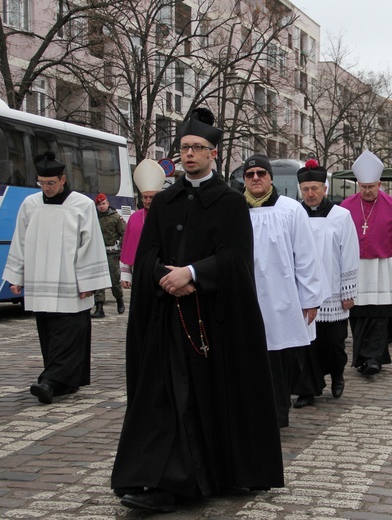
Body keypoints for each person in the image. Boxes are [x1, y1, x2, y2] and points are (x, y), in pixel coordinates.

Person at [111, 108, 284, 513]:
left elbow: (237, 259)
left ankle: (210, 474)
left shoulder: (230, 203)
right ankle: (158, 478)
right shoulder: (166, 201)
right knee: (164, 397)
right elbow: (148, 251)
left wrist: (192, 273)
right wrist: (160, 275)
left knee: (204, 397)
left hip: (213, 323)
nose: (189, 154)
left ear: (214, 154)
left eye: (197, 148)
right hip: (166, 320)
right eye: (184, 148)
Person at [3, 151, 111, 405]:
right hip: (41, 283)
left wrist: (89, 282)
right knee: (50, 335)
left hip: (71, 285)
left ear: (63, 180)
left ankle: (49, 382)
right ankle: (65, 383)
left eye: (50, 183)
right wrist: (16, 276)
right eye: (41, 183)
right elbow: (19, 240)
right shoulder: (30, 204)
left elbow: (91, 243)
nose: (46, 188)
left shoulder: (81, 204)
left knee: (69, 336)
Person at [243, 153, 328, 426]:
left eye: (261, 173)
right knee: (246, 360)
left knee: (277, 361)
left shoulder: (290, 210)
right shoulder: (234, 210)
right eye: (250, 174)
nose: (256, 178)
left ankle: (278, 415)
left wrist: (311, 299)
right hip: (244, 298)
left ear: (270, 177)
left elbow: (306, 257)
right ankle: (250, 414)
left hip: (281, 298)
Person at [291, 159, 359, 408]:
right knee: (306, 345)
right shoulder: (294, 214)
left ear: (325, 189)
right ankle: (307, 389)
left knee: (332, 343)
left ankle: (337, 373)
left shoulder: (341, 216)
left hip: (332, 290)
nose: (310, 193)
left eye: (315, 188)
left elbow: (349, 254)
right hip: (303, 291)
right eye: (305, 189)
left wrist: (348, 291)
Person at [340, 150, 392, 375]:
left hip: (383, 268)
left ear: (379, 183)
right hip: (356, 269)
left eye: (371, 186)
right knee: (358, 315)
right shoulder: (346, 207)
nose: (367, 191)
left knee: (380, 315)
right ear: (358, 185)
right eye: (363, 187)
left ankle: (374, 359)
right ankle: (362, 357)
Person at [119, 159, 166, 289]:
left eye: (151, 197)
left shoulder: (166, 216)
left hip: (161, 270)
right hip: (138, 269)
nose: (148, 200)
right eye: (145, 197)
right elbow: (127, 247)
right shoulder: (134, 218)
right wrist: (126, 275)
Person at [90, 193, 126, 317]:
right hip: (99, 252)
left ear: (108, 203)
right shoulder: (94, 218)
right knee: (98, 280)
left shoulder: (116, 217)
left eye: (103, 203)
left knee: (114, 279)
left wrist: (122, 249)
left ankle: (119, 300)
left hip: (112, 252)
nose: (101, 206)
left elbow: (124, 233)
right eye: (99, 204)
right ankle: (99, 308)